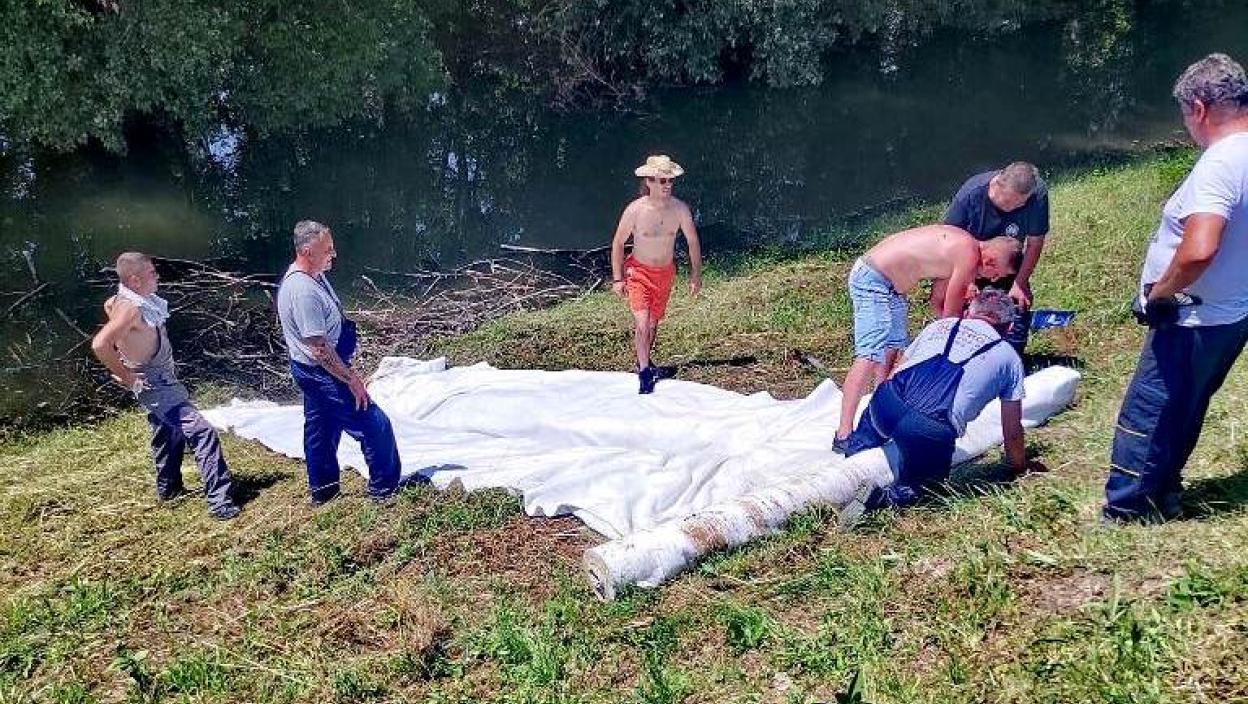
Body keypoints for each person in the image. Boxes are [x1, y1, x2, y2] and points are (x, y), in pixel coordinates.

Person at [1104, 53, 1248, 524]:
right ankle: (1164, 490)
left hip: (1193, 314)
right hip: (1231, 314)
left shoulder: (1220, 164)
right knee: (1187, 406)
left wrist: (1159, 295)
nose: (1186, 126)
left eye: (1185, 116)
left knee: (1149, 410)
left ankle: (1127, 509)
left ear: (1200, 108)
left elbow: (1199, 249)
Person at [840, 289, 1047, 508]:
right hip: (929, 428)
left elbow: (896, 370)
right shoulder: (1009, 358)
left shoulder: (940, 326)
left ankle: (849, 466)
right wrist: (1019, 466)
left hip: (887, 402)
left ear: (968, 313)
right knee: (923, 491)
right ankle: (879, 500)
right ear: (1010, 328)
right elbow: (1012, 430)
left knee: (865, 439)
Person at [834, 224, 1022, 449]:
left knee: (892, 347)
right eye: (998, 274)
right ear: (991, 261)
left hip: (892, 288)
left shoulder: (961, 251)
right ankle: (843, 434)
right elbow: (951, 317)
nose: (993, 280)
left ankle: (879, 412)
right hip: (874, 279)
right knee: (870, 354)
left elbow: (938, 302)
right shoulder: (969, 255)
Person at [91, 252, 241, 520]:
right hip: (155, 383)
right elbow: (100, 344)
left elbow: (109, 308)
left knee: (167, 431)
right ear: (135, 280)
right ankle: (220, 502)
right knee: (202, 432)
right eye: (151, 273)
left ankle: (169, 489)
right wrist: (127, 376)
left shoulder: (120, 301)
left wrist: (126, 359)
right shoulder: (131, 308)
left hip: (161, 378)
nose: (157, 276)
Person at [276, 220, 404, 505]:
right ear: (307, 251)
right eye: (327, 250)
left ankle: (324, 492)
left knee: (321, 429)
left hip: (313, 369)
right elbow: (320, 350)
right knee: (373, 422)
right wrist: (351, 379)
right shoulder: (303, 291)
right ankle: (384, 490)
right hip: (320, 371)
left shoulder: (314, 274)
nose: (333, 255)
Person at [610, 154, 703, 394]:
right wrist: (618, 278)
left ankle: (645, 361)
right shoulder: (635, 210)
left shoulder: (680, 209)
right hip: (638, 271)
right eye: (662, 181)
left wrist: (695, 275)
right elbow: (618, 244)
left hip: (665, 273)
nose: (667, 185)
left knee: (652, 324)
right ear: (649, 182)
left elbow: (693, 242)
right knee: (642, 323)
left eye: (670, 181)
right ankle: (644, 373)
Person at [944, 161, 1050, 353]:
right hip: (971, 264)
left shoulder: (1037, 195)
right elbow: (946, 242)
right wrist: (967, 281)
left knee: (1017, 307)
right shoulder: (970, 196)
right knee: (965, 312)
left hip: (1008, 264)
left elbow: (1035, 243)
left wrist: (1020, 282)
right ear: (997, 184)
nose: (1015, 207)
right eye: (1009, 202)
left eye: (1020, 204)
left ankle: (1011, 359)